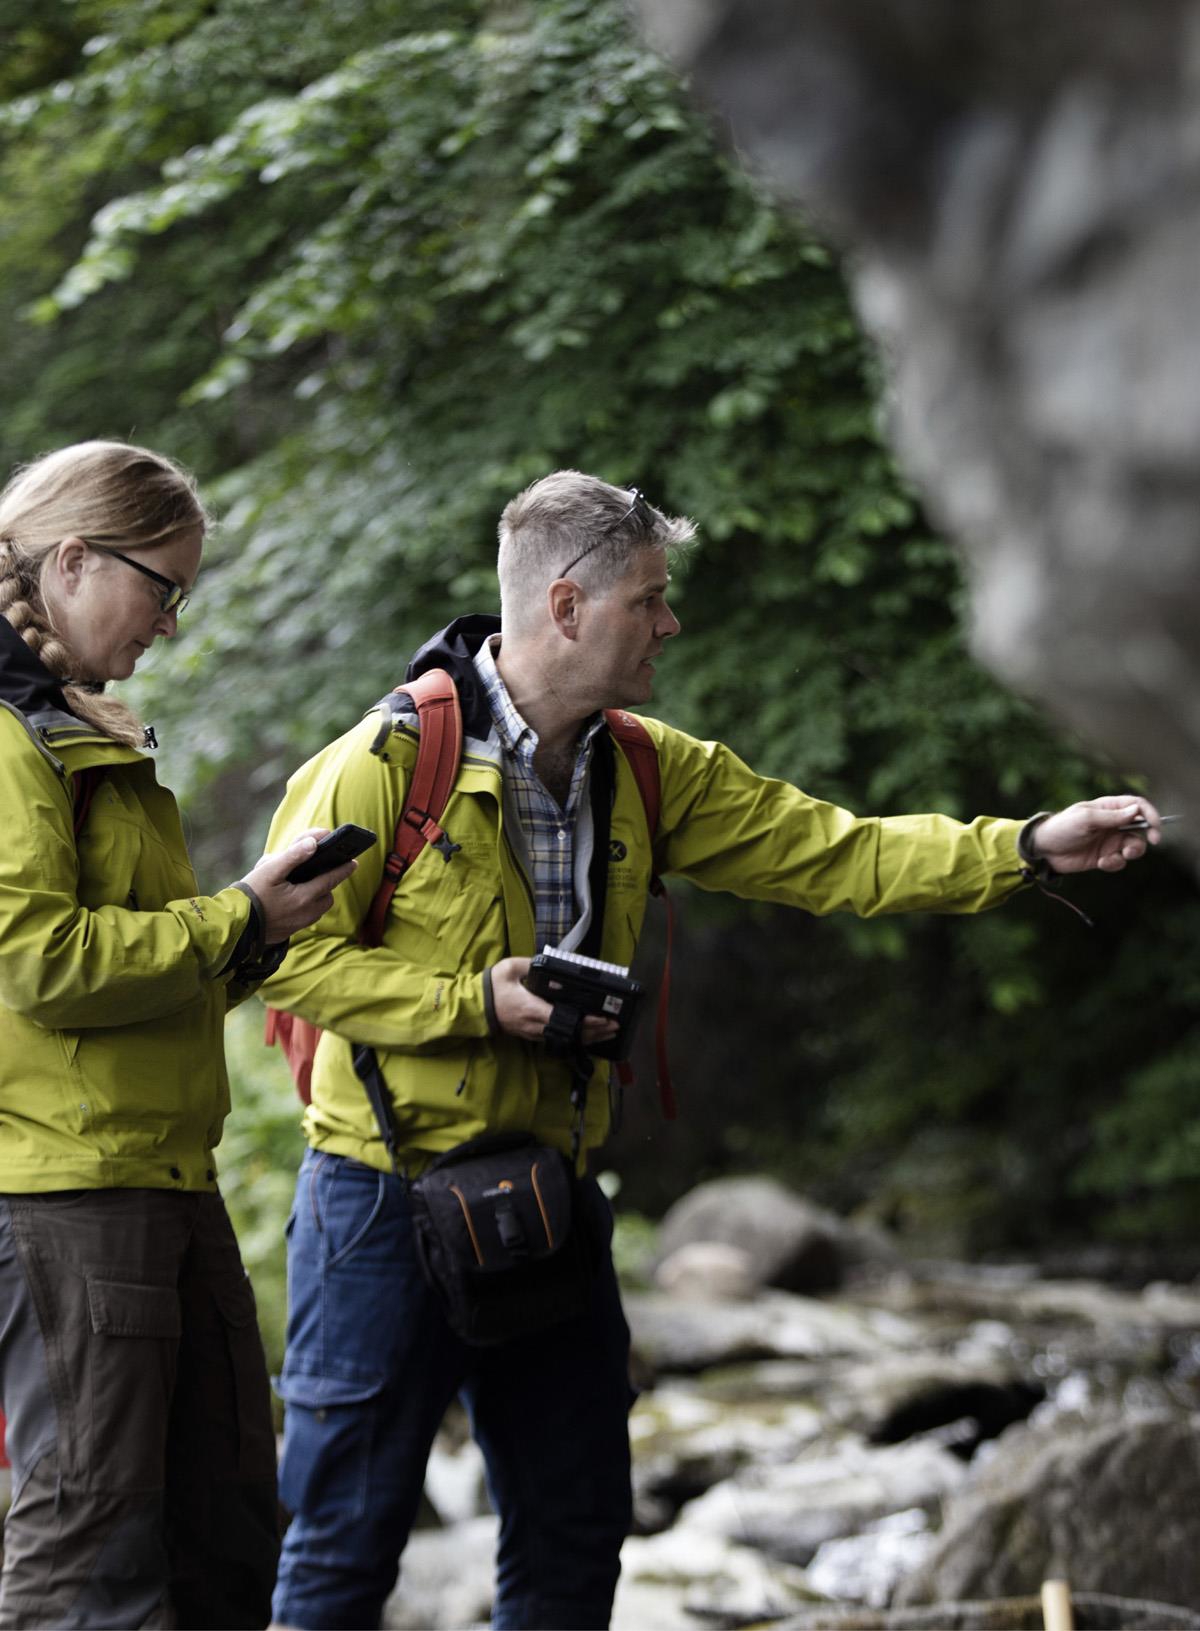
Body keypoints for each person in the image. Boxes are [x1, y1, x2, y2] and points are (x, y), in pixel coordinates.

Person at [259, 471, 1162, 1631]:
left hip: (551, 1201)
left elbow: (839, 852)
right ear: (570, 605)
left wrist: (1033, 844)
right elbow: (273, 955)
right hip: (379, 1207)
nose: (671, 623)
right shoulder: (382, 767)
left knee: (576, 1544)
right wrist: (471, 1001)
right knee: (339, 1554)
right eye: (651, 599)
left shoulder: (649, 767)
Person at [0, 441, 360, 1630]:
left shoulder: (74, 725)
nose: (168, 623)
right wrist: (236, 914)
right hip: (67, 1196)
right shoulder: (10, 740)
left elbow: (134, 969)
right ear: (71, 561)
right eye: (163, 586)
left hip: (161, 1179)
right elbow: (43, 966)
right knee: (88, 1556)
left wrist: (253, 933)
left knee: (225, 1533)